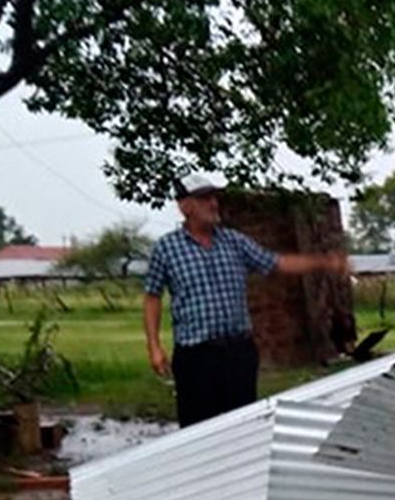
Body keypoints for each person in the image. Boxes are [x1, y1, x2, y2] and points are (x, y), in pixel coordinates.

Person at [143, 173, 348, 427]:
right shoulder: (166, 248)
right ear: (185, 206)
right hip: (196, 357)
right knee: (197, 430)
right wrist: (154, 345)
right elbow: (152, 296)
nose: (213, 204)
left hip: (237, 353)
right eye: (204, 199)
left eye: (213, 197)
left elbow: (276, 262)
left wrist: (323, 262)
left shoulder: (234, 241)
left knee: (242, 426)